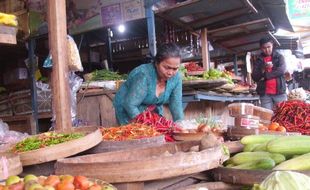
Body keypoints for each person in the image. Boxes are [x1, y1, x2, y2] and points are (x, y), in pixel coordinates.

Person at [113, 43, 184, 125]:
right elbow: (130, 105)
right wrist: (145, 127)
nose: (170, 73)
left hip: (150, 110)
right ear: (157, 63)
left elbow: (176, 103)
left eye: (175, 69)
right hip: (128, 108)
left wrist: (180, 124)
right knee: (136, 134)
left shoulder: (176, 78)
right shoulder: (144, 75)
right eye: (166, 67)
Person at [252, 37, 287, 110]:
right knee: (267, 117)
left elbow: (281, 71)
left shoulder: (279, 57)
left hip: (279, 93)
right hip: (265, 95)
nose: (267, 50)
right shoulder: (258, 60)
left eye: (269, 47)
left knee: (282, 115)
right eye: (264, 48)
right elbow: (255, 77)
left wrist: (266, 75)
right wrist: (263, 68)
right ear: (261, 48)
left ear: (272, 45)